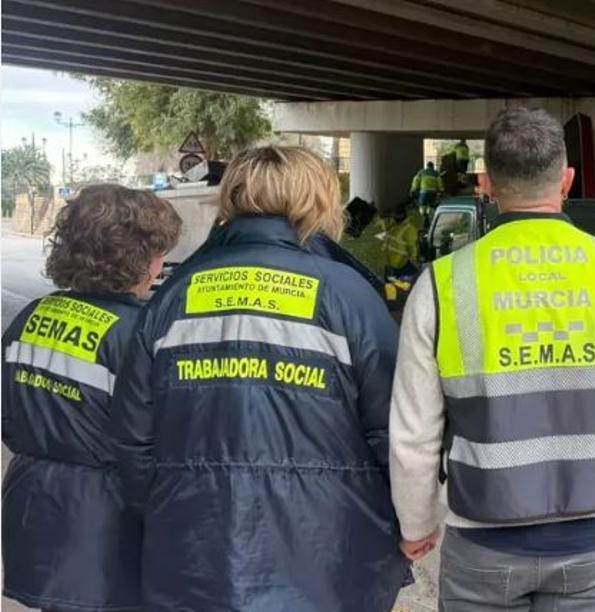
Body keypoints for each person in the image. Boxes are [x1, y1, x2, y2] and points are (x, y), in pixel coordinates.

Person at [389, 107, 595, 612]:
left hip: (483, 542)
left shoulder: (441, 285)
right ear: (566, 180)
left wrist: (417, 525)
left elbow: (414, 432)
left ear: (486, 184)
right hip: (589, 538)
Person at [109, 146, 411, 611]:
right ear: (318, 200)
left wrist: (172, 507)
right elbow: (394, 430)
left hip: (193, 541)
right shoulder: (348, 295)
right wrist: (410, 521)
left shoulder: (175, 295)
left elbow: (132, 437)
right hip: (326, 548)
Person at [3, 185, 181, 612]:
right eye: (159, 253)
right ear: (141, 259)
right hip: (106, 527)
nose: (160, 266)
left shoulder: (34, 316)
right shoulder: (140, 336)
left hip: (33, 507)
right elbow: (157, 444)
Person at [384, 203, 422, 282]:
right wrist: (414, 258)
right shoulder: (408, 229)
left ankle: (393, 287)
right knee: (417, 276)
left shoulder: (392, 226)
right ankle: (404, 286)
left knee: (390, 282)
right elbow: (412, 247)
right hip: (400, 262)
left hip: (390, 261)